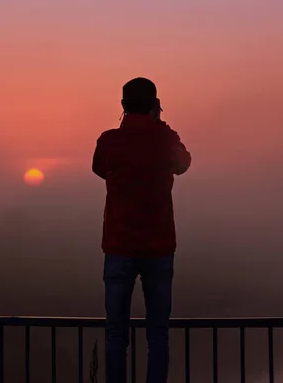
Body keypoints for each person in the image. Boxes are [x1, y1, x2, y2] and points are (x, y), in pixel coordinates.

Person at [92, 77, 191, 383]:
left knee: (115, 333)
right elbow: (183, 163)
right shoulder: (165, 138)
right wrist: (159, 124)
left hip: (119, 247)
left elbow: (99, 168)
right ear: (154, 105)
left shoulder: (109, 141)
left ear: (122, 105)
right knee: (158, 334)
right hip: (159, 248)